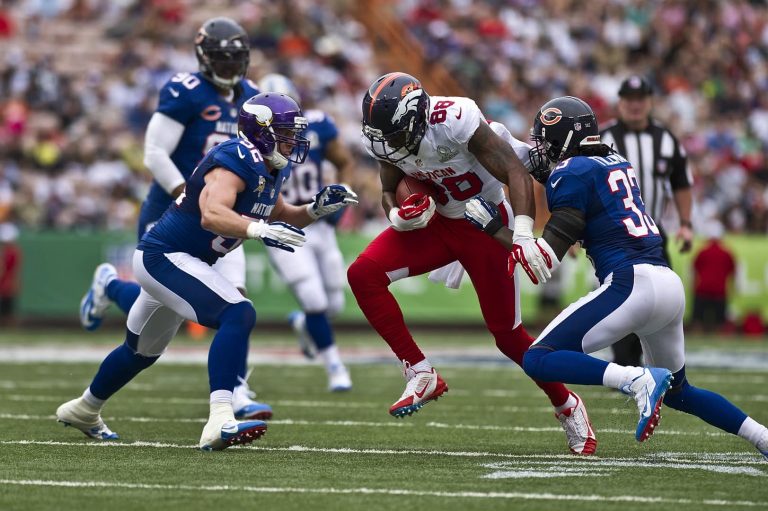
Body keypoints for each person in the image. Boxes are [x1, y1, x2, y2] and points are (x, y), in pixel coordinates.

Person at [464, 96, 768, 458]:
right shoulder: (615, 161)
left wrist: (493, 228)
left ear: (564, 139)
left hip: (631, 283)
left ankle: (634, 378)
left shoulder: (571, 172)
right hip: (667, 285)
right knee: (679, 392)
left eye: (545, 141)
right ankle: (762, 436)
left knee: (538, 358)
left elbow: (542, 263)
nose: (541, 150)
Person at [56, 93, 358, 450]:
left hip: (183, 260)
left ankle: (85, 408)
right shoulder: (236, 158)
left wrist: (316, 209)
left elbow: (280, 213)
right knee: (238, 312)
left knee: (139, 353)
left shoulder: (271, 165)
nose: (293, 140)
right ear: (262, 132)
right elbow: (212, 214)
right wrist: (256, 229)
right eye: (286, 132)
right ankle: (220, 418)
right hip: (166, 255)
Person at [347, 72, 597, 456]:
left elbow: (516, 172)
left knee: (508, 336)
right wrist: (398, 215)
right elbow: (387, 189)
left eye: (394, 134)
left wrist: (523, 234)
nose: (386, 142)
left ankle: (567, 404)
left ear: (414, 119)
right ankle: (420, 371)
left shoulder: (454, 120)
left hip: (485, 222)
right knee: (363, 273)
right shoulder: (387, 136)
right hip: (437, 224)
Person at [78, 17, 271, 420]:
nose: (229, 65)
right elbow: (154, 153)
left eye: (235, 58)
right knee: (161, 312)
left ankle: (236, 391)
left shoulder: (252, 97)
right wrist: (188, 193)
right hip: (173, 213)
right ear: (203, 57)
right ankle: (110, 285)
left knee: (234, 298)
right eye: (221, 57)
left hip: (222, 217)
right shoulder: (186, 91)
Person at [257, 73, 353, 392]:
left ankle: (304, 324)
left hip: (319, 223)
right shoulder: (251, 141)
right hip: (282, 225)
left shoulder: (318, 124)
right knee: (313, 299)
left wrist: (342, 194)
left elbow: (344, 161)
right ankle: (335, 367)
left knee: (333, 304)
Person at [600, 75, 694, 367]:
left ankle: (663, 367)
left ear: (650, 102)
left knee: (663, 301)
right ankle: (625, 366)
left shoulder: (666, 140)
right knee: (620, 299)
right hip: (615, 235)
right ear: (620, 102)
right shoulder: (603, 139)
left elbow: (681, 183)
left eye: (640, 99)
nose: (635, 105)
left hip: (654, 233)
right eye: (629, 99)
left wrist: (686, 223)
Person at [691, 221, 735, 333]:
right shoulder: (727, 253)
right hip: (720, 291)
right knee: (720, 323)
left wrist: (693, 287)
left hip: (702, 289)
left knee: (697, 321)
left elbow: (694, 271)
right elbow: (733, 272)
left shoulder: (702, 251)